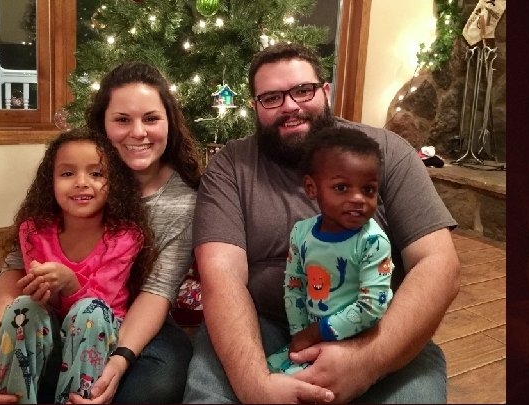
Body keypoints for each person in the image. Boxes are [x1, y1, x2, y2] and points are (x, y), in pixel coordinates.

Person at [184, 43, 460, 404]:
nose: (290, 106)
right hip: (261, 326)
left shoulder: (388, 151)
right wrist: (256, 388)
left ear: (325, 91)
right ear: (255, 107)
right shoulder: (230, 166)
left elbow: (439, 264)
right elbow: (220, 276)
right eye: (271, 98)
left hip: (379, 330)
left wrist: (365, 363)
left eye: (303, 90)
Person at [0, 62, 202, 403]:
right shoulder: (70, 181)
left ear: (169, 122)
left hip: (129, 324)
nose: (138, 132)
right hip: (43, 317)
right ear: (102, 124)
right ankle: (35, 384)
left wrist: (118, 362)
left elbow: (157, 292)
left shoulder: (183, 202)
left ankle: (58, 385)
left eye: (151, 118)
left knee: (162, 378)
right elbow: (16, 269)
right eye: (122, 119)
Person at [0, 128, 155, 403]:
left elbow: (101, 301)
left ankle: (78, 398)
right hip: (49, 329)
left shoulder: (126, 237)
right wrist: (48, 291)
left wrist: (69, 282)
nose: (81, 183)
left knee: (91, 312)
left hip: (99, 334)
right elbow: (39, 300)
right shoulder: (33, 231)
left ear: (114, 182)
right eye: (67, 174)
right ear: (50, 182)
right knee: (22, 307)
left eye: (96, 174)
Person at [266, 125, 393, 376]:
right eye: (342, 188)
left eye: (368, 190)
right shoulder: (301, 233)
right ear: (312, 188)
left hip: (359, 342)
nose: (358, 199)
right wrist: (300, 334)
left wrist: (314, 334)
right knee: (268, 371)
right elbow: (294, 285)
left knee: (296, 382)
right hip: (313, 335)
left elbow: (371, 308)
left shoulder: (373, 242)